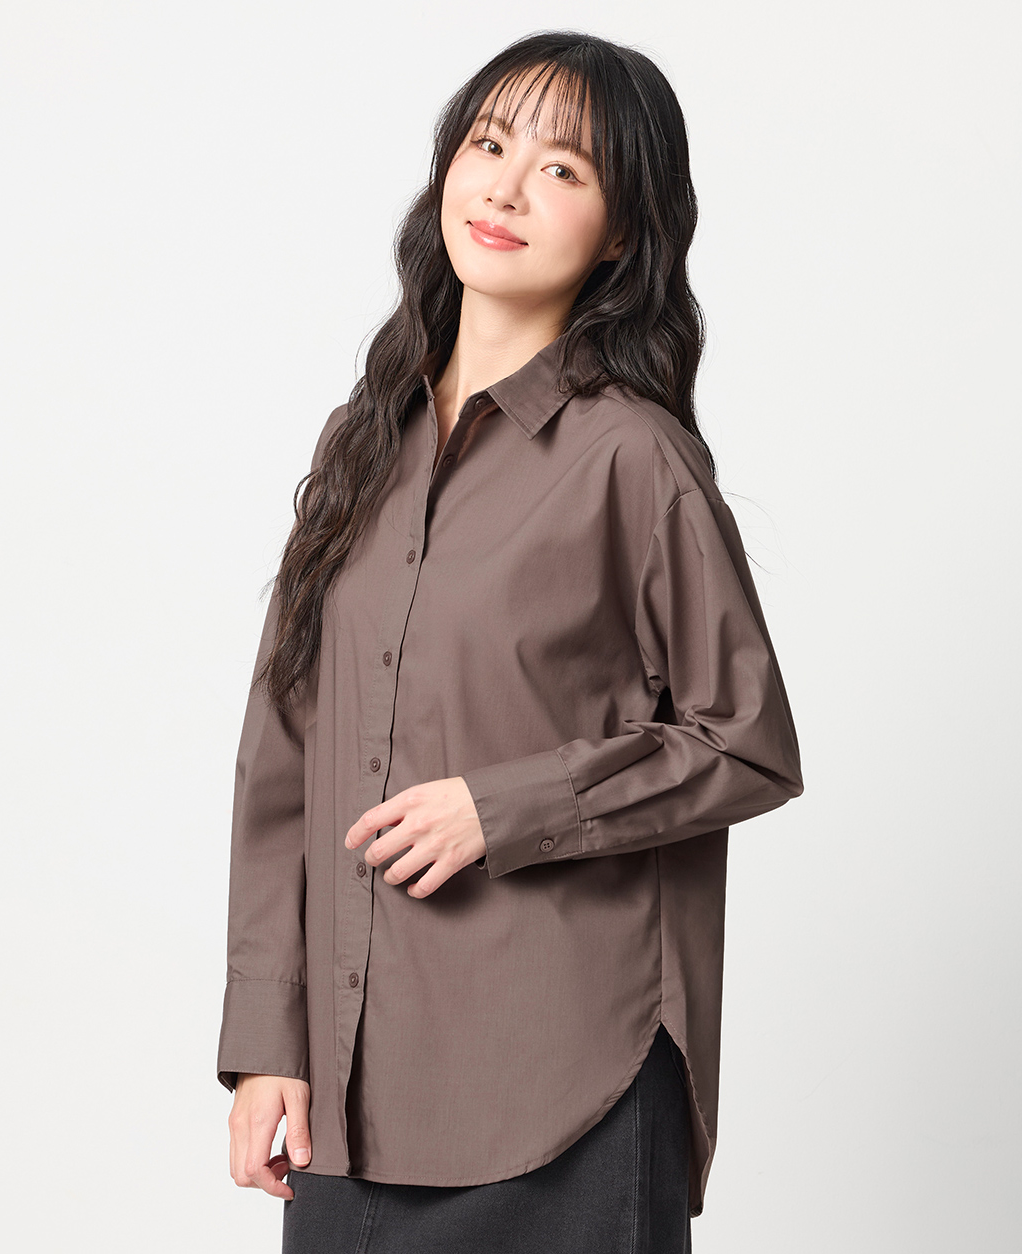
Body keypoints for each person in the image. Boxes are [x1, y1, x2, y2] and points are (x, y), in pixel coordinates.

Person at [217, 29, 803, 1254]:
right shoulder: (360, 444)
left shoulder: (632, 457)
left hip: (567, 1086)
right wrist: (268, 1040)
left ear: (623, 234)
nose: (505, 187)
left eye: (563, 169)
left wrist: (506, 808)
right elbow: (283, 756)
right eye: (488, 145)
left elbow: (746, 742)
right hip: (351, 1100)